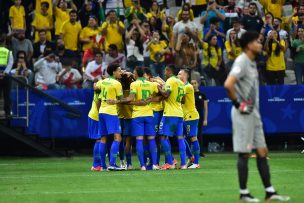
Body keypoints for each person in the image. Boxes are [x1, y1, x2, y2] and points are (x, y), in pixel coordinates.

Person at [224, 31, 290, 202]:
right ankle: (244, 193)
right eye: (257, 42)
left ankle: (270, 192)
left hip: (254, 112)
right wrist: (238, 105)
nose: (261, 44)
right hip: (243, 113)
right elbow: (228, 84)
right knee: (245, 153)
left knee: (262, 151)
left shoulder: (253, 63)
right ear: (248, 45)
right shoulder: (242, 61)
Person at [123, 67, 160, 170]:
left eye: (134, 73)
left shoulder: (134, 84)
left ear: (136, 74)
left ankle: (142, 165)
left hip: (137, 115)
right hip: (149, 114)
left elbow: (130, 98)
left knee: (139, 140)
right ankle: (154, 164)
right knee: (151, 139)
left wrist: (121, 101)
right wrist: (152, 99)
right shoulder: (151, 84)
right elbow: (162, 94)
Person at [157, 64, 187, 170]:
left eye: (165, 70)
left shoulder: (170, 81)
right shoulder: (181, 83)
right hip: (179, 113)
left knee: (163, 137)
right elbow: (183, 100)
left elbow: (166, 95)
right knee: (180, 138)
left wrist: (159, 88)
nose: (165, 73)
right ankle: (183, 164)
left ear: (169, 71)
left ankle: (169, 162)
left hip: (170, 113)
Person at [96, 64, 125, 171]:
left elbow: (98, 98)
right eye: (119, 71)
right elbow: (122, 100)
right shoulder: (116, 84)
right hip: (111, 112)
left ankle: (103, 166)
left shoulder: (102, 82)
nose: (121, 72)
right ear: (113, 72)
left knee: (103, 138)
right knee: (118, 137)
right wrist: (116, 101)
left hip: (102, 112)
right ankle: (112, 164)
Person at [178, 69, 200, 169]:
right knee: (180, 136)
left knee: (193, 138)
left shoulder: (188, 87)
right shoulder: (183, 86)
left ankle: (196, 163)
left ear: (185, 75)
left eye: (179, 74)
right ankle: (190, 157)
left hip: (191, 116)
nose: (178, 75)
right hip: (184, 116)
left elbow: (176, 93)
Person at [88, 79, 103, 171]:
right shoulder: (102, 84)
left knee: (102, 139)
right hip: (97, 116)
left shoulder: (102, 83)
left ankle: (100, 163)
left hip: (96, 115)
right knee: (100, 139)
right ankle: (96, 164)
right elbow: (98, 102)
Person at [191, 79, 208, 157]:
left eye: (195, 83)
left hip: (200, 117)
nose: (194, 85)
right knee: (191, 135)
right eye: (192, 83)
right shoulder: (189, 94)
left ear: (198, 84)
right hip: (191, 117)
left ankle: (200, 152)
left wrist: (205, 119)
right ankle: (191, 153)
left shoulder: (202, 94)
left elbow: (206, 108)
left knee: (199, 134)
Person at [0, 34, 14, 118]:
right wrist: (4, 73)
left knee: (6, 95)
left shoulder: (9, 52)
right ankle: (7, 113)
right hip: (6, 75)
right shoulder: (9, 52)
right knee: (7, 95)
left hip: (3, 75)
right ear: (5, 41)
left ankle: (7, 112)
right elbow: (10, 63)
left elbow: (10, 62)